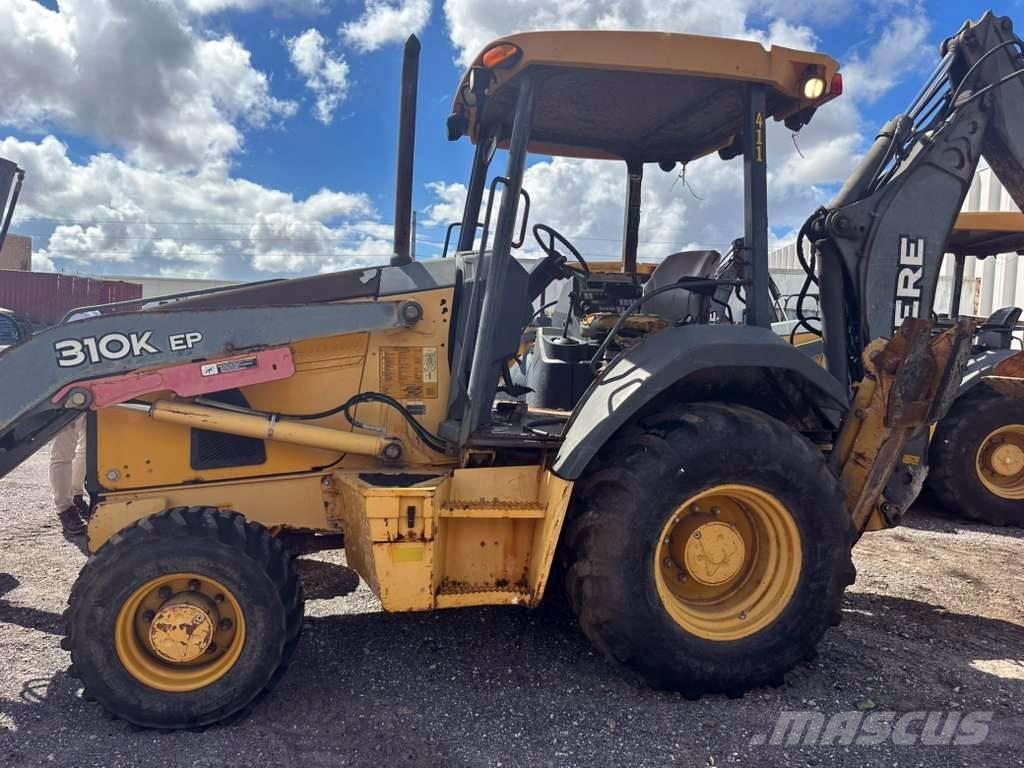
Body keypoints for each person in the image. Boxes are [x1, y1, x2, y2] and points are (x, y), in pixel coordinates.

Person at [51, 416, 89, 534]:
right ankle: (64, 508)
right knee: (63, 454)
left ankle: (76, 496)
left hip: (96, 399)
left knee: (88, 449)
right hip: (66, 400)